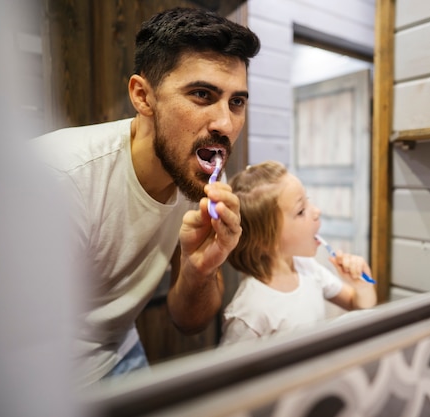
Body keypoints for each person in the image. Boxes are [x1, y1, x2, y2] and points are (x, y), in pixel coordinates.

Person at [29, 7, 260, 387]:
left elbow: (189, 321)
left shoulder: (196, 176)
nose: (225, 124)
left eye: (236, 102)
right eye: (202, 94)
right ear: (142, 96)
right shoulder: (59, 179)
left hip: (120, 349)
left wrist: (200, 270)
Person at [220, 161, 377, 345]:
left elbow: (357, 304)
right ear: (265, 240)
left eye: (308, 201)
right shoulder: (249, 312)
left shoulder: (308, 269)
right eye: (301, 211)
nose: (316, 211)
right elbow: (229, 372)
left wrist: (362, 286)